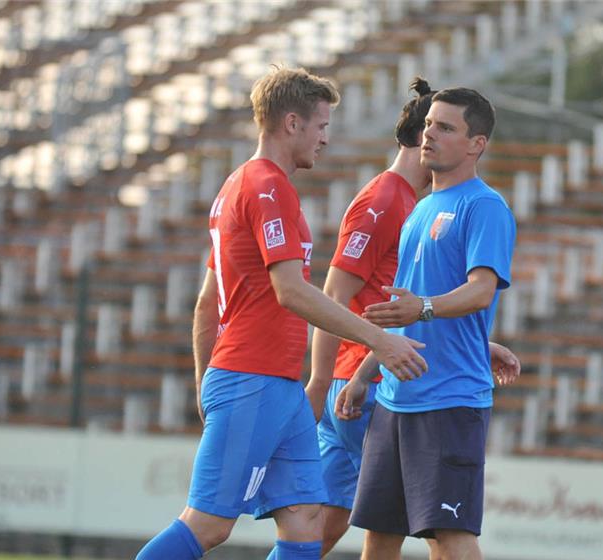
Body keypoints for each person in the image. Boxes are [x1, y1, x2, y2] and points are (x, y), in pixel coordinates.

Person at [135, 67, 427, 560]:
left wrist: (205, 377)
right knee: (208, 525)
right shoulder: (268, 188)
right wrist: (379, 339)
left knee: (305, 521)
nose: (325, 139)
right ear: (291, 123)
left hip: (276, 383)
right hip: (253, 375)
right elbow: (291, 291)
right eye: (321, 126)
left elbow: (210, 301)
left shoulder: (238, 185)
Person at [306, 78, 520, 558]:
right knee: (379, 537)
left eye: (445, 128)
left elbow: (481, 291)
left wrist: (423, 308)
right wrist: (364, 374)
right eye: (428, 125)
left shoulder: (484, 206)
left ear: (476, 144)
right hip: (394, 399)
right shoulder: (421, 209)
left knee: (449, 536)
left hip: (448, 399)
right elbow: (398, 308)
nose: (429, 135)